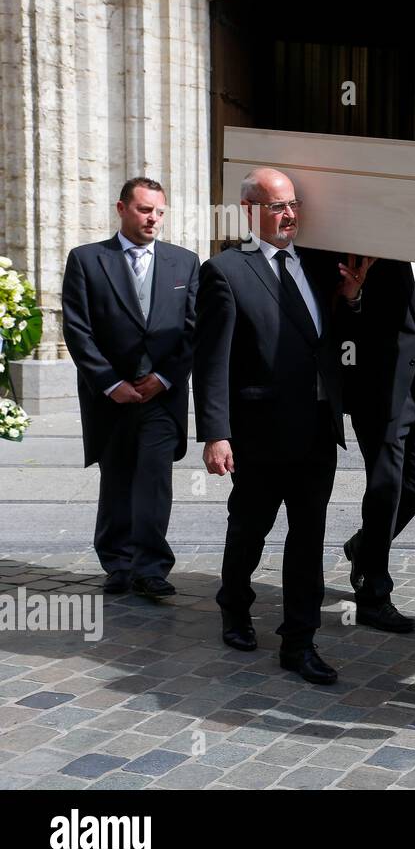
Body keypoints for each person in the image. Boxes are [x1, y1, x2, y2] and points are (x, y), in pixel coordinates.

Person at [194, 168, 349, 684]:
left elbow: (329, 339)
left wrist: (356, 297)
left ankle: (298, 643)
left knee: (308, 540)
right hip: (258, 436)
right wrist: (216, 433)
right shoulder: (226, 271)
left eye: (292, 205)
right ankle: (234, 602)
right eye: (276, 206)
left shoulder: (321, 267)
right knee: (250, 531)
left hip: (316, 433)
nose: (288, 215)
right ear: (249, 212)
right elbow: (211, 360)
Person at [61, 177, 199, 598]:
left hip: (163, 395)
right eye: (144, 210)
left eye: (159, 211)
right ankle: (118, 564)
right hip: (111, 398)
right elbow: (77, 328)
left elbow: (194, 330)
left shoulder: (185, 262)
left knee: (154, 480)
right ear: (121, 209)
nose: (153, 218)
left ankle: (151, 568)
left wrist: (165, 377)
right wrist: (109, 382)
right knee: (117, 479)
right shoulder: (87, 259)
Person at [337, 257, 415, 634]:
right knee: (385, 489)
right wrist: (353, 297)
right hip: (380, 394)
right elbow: (345, 324)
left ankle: (363, 545)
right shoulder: (375, 254)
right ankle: (373, 594)